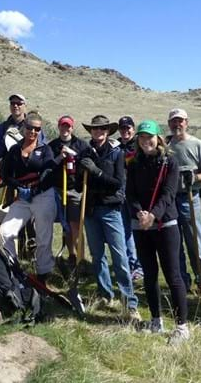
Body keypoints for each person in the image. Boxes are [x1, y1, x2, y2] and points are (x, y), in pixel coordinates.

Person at [126, 120, 189, 345]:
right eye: (141, 138)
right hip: (141, 226)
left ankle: (182, 327)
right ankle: (156, 320)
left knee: (173, 276)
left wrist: (153, 215)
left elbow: (169, 193)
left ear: (158, 138)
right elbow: (130, 194)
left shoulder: (169, 163)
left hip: (165, 225)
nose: (146, 142)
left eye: (149, 137)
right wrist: (139, 214)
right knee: (150, 275)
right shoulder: (133, 164)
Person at [76, 115, 139, 320]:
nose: (99, 132)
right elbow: (78, 186)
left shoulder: (116, 153)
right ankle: (105, 294)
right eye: (95, 129)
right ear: (91, 132)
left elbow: (117, 184)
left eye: (103, 129)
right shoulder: (85, 153)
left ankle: (129, 302)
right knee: (97, 256)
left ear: (108, 131)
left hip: (111, 210)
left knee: (120, 256)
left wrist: (95, 172)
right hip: (91, 211)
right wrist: (79, 171)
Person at [0, 111, 56, 282]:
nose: (33, 132)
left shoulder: (45, 150)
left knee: (43, 236)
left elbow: (49, 172)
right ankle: (13, 269)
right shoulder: (15, 150)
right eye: (30, 128)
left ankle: (43, 273)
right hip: (22, 196)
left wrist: (35, 190)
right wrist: (18, 187)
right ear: (24, 128)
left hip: (43, 195)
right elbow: (5, 174)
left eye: (37, 129)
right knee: (5, 232)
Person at [167, 108, 201, 299]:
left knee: (195, 243)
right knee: (174, 244)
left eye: (180, 121)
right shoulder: (166, 145)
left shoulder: (197, 145)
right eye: (173, 121)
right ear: (169, 123)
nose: (177, 124)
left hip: (190, 199)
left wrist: (194, 177)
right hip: (170, 201)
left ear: (187, 122)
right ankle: (181, 282)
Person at [48, 115, 89, 267]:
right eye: (62, 126)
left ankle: (81, 258)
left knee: (75, 225)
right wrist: (60, 157)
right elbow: (48, 165)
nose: (65, 129)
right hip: (57, 190)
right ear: (59, 127)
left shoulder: (81, 144)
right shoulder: (52, 146)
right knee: (64, 225)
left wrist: (74, 156)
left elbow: (88, 161)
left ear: (72, 127)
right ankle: (71, 254)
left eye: (68, 126)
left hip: (74, 190)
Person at [117, 115, 143, 280]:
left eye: (128, 128)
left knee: (138, 229)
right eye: (123, 128)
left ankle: (139, 266)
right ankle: (129, 263)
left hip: (137, 193)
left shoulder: (140, 145)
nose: (125, 131)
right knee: (125, 230)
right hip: (120, 193)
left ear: (133, 129)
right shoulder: (116, 146)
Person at [0, 93, 45, 160]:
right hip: (8, 168)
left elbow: (42, 149)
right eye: (13, 103)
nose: (15, 106)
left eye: (19, 103)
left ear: (25, 106)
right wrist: (5, 138)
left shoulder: (34, 127)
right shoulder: (2, 127)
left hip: (29, 167)